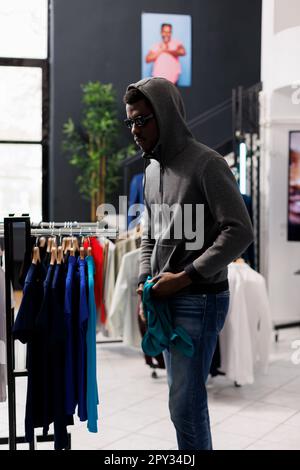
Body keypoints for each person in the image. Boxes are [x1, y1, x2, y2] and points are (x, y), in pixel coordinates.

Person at [123, 77, 253, 450]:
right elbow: (151, 234)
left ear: (166, 115)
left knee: (185, 404)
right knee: (182, 401)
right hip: (164, 297)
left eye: (142, 120)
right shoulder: (149, 172)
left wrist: (184, 278)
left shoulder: (207, 164)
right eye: (130, 122)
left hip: (200, 298)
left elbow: (240, 231)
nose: (135, 130)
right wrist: (143, 282)